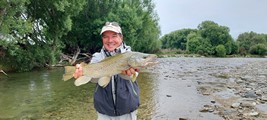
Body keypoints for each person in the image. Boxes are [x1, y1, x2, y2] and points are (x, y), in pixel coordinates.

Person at [73, 21, 140, 120]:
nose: (110, 40)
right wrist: (82, 72)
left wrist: (127, 74)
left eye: (114, 36)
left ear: (121, 38)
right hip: (104, 110)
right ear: (102, 39)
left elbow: (133, 76)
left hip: (127, 107)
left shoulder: (130, 55)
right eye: (105, 37)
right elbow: (94, 80)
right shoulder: (97, 57)